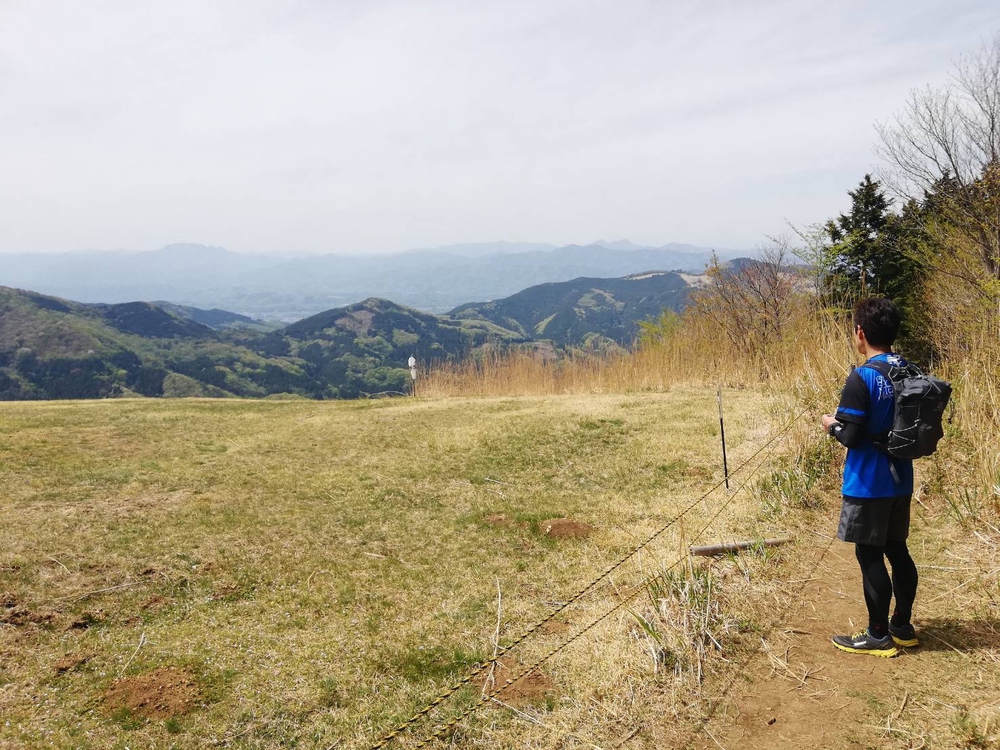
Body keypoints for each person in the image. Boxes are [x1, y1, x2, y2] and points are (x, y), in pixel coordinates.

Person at [821, 297, 919, 658]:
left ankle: (877, 635)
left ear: (860, 332)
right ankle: (902, 626)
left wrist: (831, 425)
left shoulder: (862, 377)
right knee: (898, 549)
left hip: (868, 481)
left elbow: (851, 436)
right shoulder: (908, 370)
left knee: (869, 554)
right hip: (901, 478)